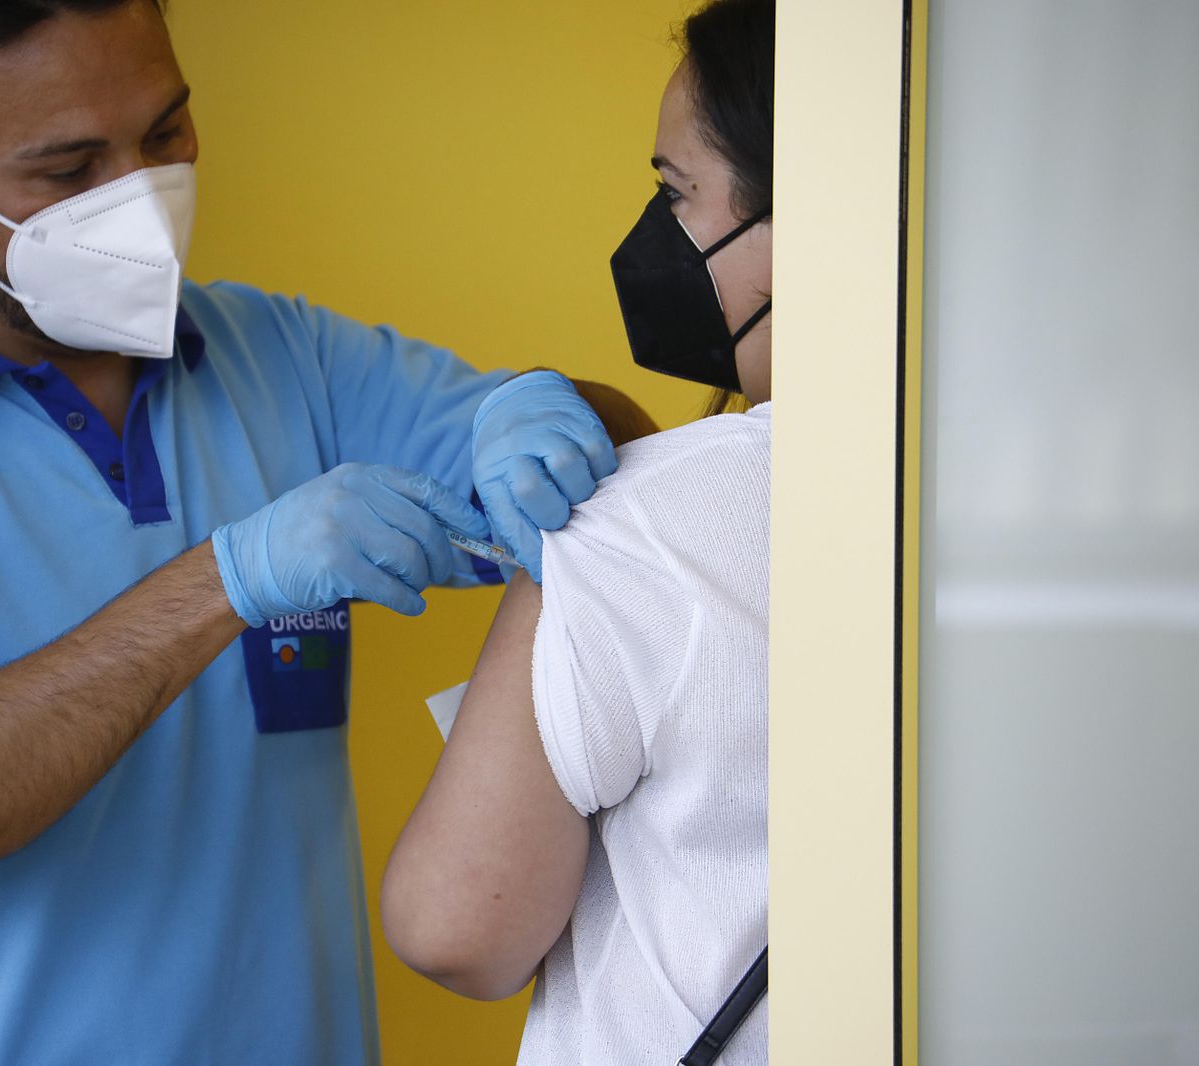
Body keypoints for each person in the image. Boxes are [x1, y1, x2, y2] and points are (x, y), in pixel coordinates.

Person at [0, 1, 653, 1062]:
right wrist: (226, 582)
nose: (140, 197)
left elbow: (625, 481)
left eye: (165, 132)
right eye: (71, 167)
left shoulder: (282, 355)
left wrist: (544, 413)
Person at [380, 0, 772, 1062]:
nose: (660, 233)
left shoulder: (639, 524)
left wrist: (566, 539)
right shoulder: (1012, 492)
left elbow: (454, 924)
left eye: (676, 192)